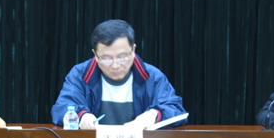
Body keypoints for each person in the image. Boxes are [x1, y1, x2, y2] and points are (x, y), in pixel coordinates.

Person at [51, 19, 186, 129]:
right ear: (95, 55)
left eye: (122, 57)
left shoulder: (152, 76)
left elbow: (176, 109)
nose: (115, 65)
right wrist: (81, 116)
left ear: (133, 50)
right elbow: (61, 107)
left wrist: (153, 115)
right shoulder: (80, 75)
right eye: (106, 58)